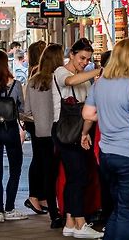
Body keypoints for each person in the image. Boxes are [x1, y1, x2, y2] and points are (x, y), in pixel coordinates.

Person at [82, 38, 129, 240]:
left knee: (119, 209)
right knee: (127, 213)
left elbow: (88, 114)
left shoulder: (100, 84)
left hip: (107, 156)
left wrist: (107, 115)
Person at [52, 38, 103, 239]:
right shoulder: (60, 72)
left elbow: (90, 105)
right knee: (78, 176)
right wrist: (99, 71)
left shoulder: (85, 77)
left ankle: (70, 222)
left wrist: (84, 133)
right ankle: (79, 222)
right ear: (71, 54)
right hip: (65, 130)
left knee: (77, 176)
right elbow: (69, 81)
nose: (84, 62)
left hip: (81, 131)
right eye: (81, 58)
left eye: (88, 59)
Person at [0, 50, 27, 223]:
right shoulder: (15, 85)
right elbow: (21, 108)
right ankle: (10, 208)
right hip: (10, 131)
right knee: (15, 169)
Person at [24, 43, 63, 229]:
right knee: (64, 173)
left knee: (47, 173)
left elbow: (27, 110)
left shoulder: (33, 80)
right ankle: (67, 210)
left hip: (40, 132)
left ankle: (53, 213)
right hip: (61, 132)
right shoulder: (61, 78)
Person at [23, 40, 48, 214]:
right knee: (40, 158)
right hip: (38, 120)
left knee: (40, 158)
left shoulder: (33, 70)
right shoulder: (37, 72)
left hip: (34, 120)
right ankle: (34, 196)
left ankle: (41, 196)